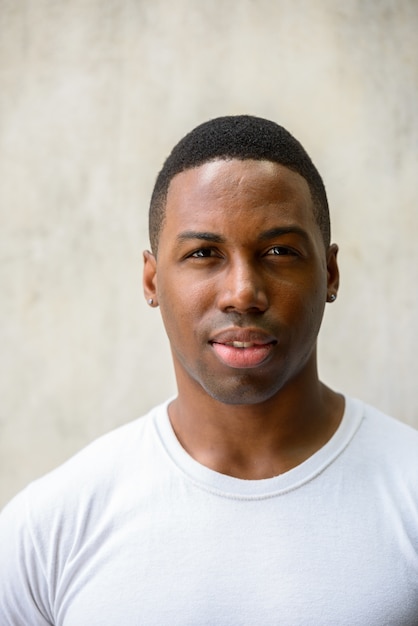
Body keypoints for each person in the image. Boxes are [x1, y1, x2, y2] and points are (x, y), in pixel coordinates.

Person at [1, 115, 417, 625]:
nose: (243, 291)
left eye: (279, 252)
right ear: (152, 280)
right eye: (203, 253)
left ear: (328, 273)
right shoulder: (49, 527)